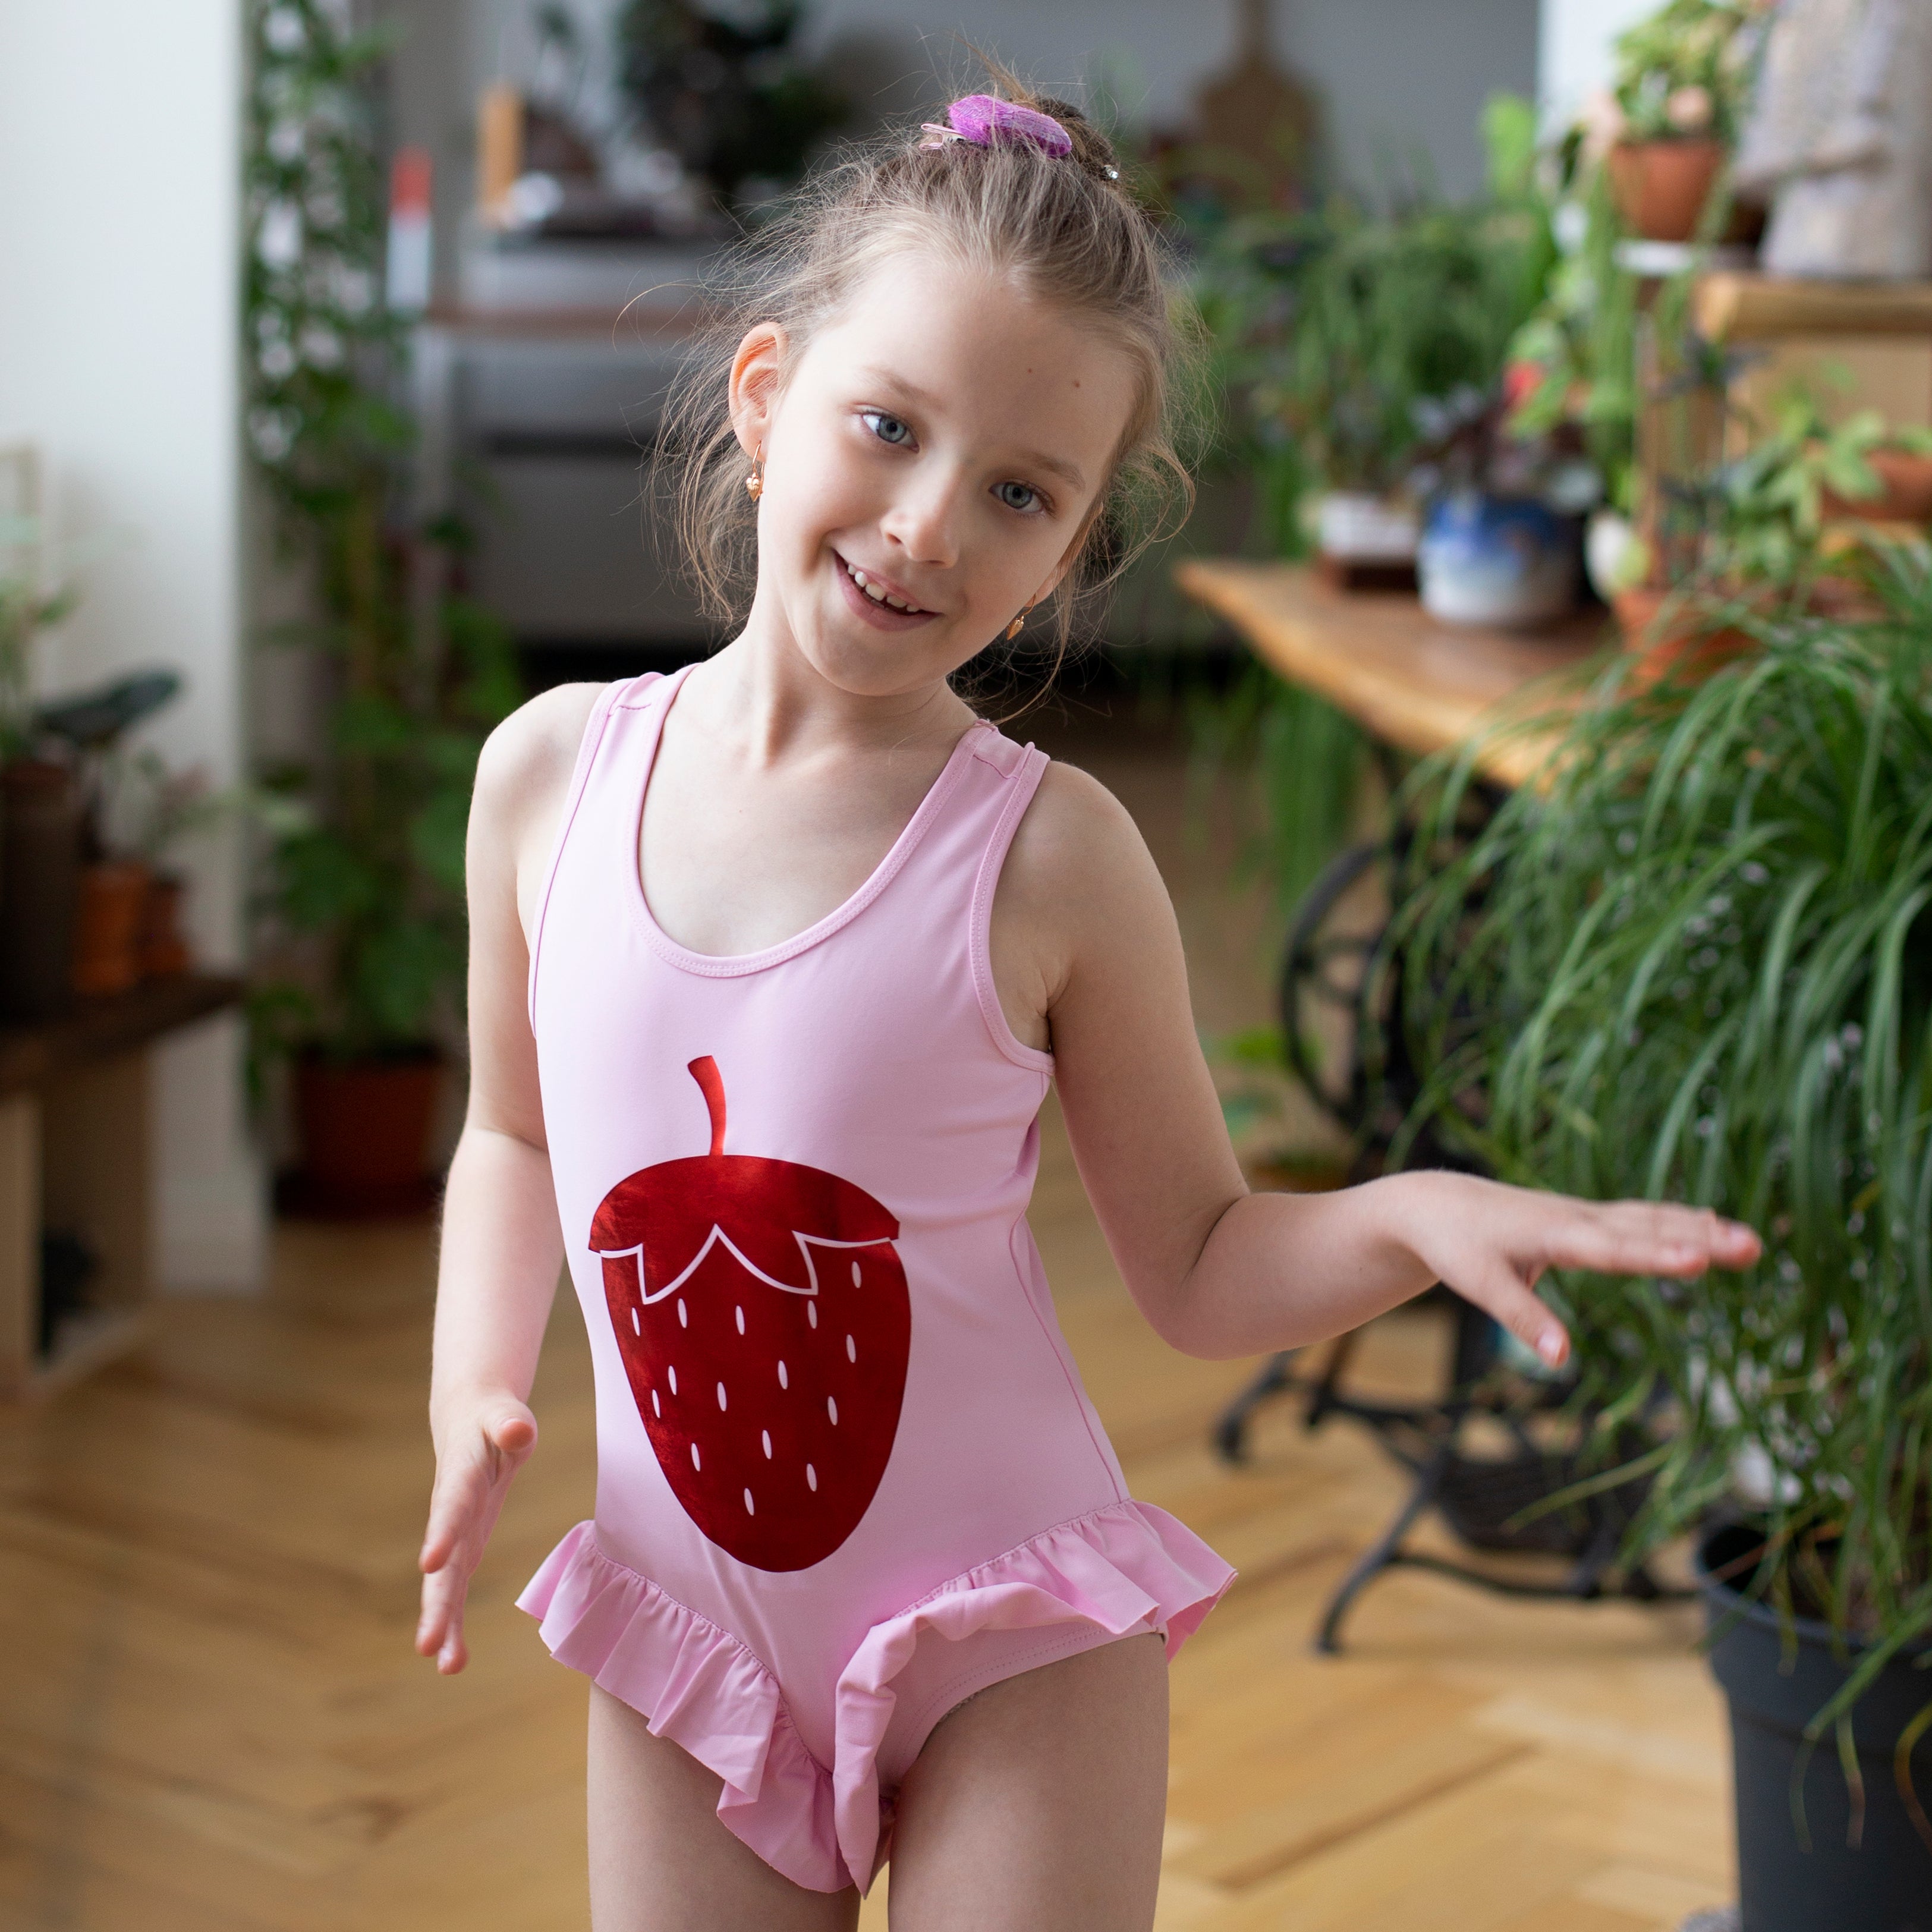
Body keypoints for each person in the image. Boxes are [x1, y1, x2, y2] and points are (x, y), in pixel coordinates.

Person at [415, 82, 1761, 1932]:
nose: (922, 526)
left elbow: (1200, 1263)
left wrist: (1411, 1214)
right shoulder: (546, 775)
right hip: (684, 1618)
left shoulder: (1051, 857)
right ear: (761, 394)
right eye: (884, 427)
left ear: (1072, 546)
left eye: (1017, 494)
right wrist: (476, 1379)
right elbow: (511, 1129)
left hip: (1009, 1636)